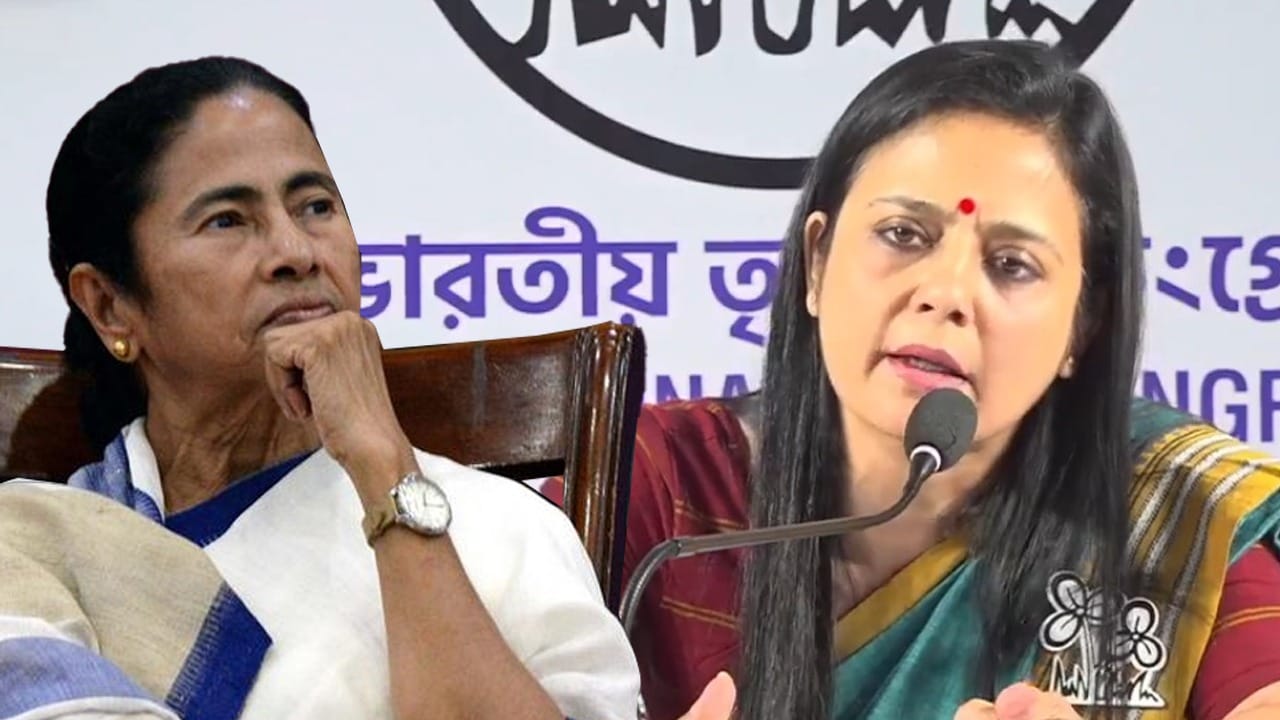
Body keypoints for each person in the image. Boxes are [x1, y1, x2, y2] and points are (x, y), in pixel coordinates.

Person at [547, 40, 1280, 719]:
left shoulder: (1174, 521)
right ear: (817, 262)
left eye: (1011, 264)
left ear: (1082, 327)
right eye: (903, 234)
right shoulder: (659, 491)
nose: (947, 293)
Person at [0, 56, 640, 720]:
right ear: (109, 307)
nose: (296, 252)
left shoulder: (501, 529)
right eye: (228, 220)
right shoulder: (30, 545)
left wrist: (383, 466)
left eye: (315, 207)